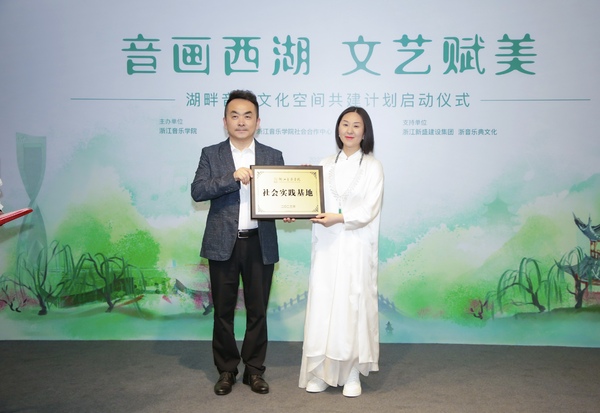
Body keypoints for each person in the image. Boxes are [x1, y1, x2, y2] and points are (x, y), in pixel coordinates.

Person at [191, 90, 284, 396]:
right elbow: (198, 191)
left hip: (260, 243)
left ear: (258, 121)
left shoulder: (272, 156)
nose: (241, 121)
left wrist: (288, 210)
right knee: (223, 311)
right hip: (222, 244)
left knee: (258, 311)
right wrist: (231, 177)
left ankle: (254, 370)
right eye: (235, 115)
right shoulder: (211, 154)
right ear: (225, 121)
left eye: (247, 116)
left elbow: (280, 196)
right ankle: (227, 370)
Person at [298, 106, 384, 397]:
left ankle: (351, 373)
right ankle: (322, 371)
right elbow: (310, 201)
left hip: (356, 246)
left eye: (356, 125)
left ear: (365, 131)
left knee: (351, 307)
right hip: (326, 246)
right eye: (345, 124)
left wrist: (340, 217)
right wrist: (298, 197)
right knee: (324, 306)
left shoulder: (372, 166)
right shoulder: (324, 164)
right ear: (338, 129)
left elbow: (369, 209)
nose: (349, 130)